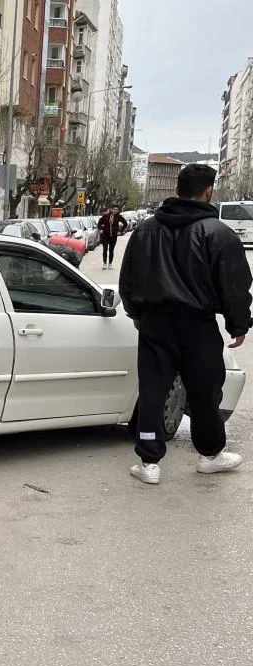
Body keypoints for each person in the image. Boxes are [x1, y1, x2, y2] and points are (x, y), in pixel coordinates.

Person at [118, 163, 253, 485]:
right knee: (205, 391)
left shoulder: (146, 230)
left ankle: (149, 462)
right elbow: (235, 283)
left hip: (155, 324)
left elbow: (129, 277)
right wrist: (238, 324)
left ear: (176, 189)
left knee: (153, 390)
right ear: (208, 191)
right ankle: (210, 455)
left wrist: (136, 313)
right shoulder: (218, 233)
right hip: (198, 325)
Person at [96, 205, 127, 269]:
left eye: (116, 210)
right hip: (105, 235)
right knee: (105, 249)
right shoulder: (106, 216)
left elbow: (125, 223)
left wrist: (120, 231)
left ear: (118, 210)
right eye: (114, 209)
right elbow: (99, 223)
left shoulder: (119, 217)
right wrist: (101, 229)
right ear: (111, 209)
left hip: (113, 236)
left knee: (111, 250)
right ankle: (104, 263)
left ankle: (110, 264)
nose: (115, 211)